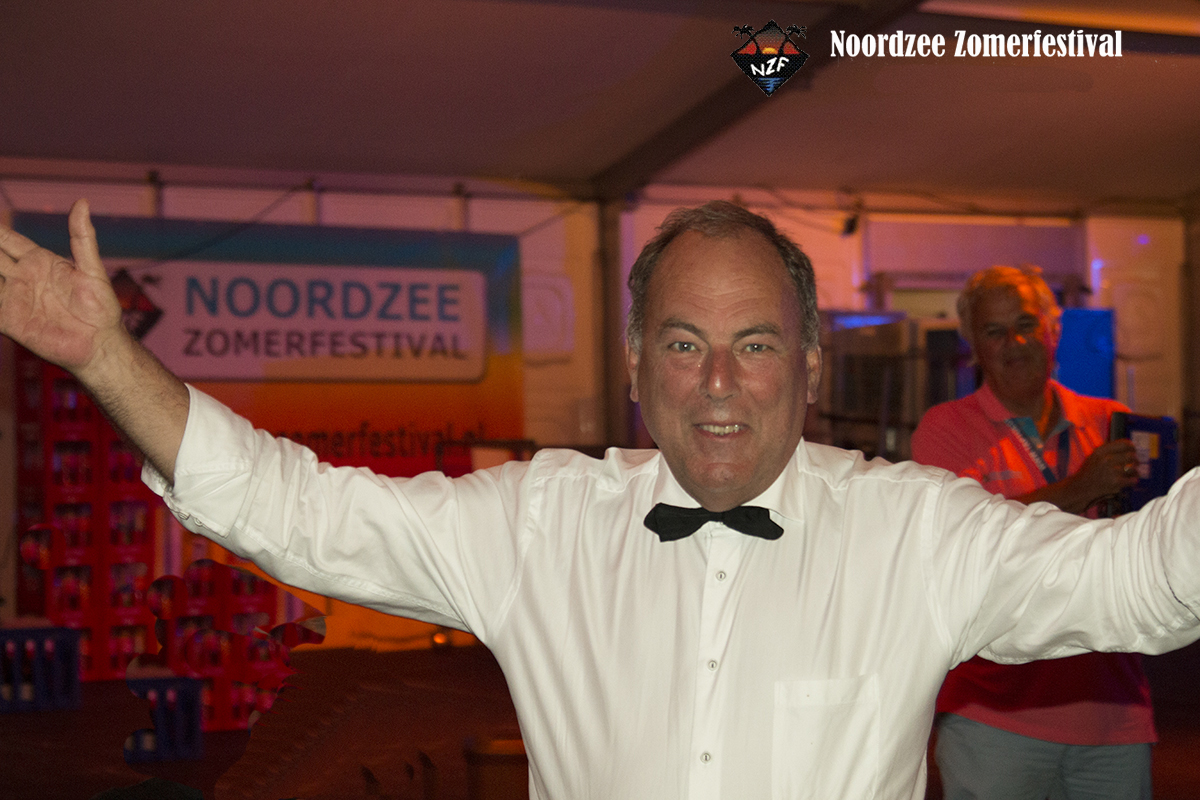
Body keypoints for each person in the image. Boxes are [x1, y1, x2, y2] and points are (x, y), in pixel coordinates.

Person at [3, 200, 1200, 800]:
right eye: (683, 343)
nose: (718, 382)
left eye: (754, 344)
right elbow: (296, 509)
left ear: (809, 366)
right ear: (634, 366)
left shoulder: (915, 531)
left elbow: (1140, 577)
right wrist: (108, 358)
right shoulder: (540, 523)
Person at [911, 265, 1153, 800]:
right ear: (973, 344)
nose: (1014, 343)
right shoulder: (945, 430)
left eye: (1025, 324)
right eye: (994, 331)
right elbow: (962, 541)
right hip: (993, 714)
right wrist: (1079, 488)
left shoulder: (1111, 421)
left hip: (1112, 710)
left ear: (1053, 329)